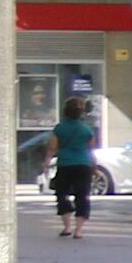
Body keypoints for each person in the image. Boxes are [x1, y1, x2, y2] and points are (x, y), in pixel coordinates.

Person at [46, 94, 101, 238]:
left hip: (65, 164)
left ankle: (67, 227)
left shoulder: (59, 128)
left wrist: (46, 162)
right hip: (84, 165)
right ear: (80, 113)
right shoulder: (86, 130)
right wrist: (94, 168)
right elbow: (90, 151)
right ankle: (79, 230)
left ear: (65, 111)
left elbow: (52, 147)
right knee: (82, 196)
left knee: (62, 194)